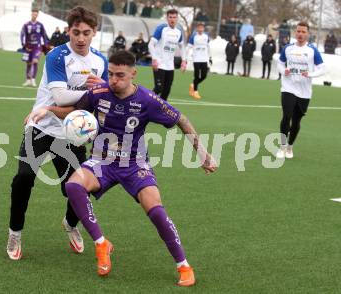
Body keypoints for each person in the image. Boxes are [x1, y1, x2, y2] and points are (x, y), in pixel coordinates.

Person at [28, 50, 217, 286]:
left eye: (120, 75)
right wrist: (48, 109)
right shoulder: (99, 92)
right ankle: (101, 244)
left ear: (133, 74)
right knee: (73, 186)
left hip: (134, 164)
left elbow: (181, 120)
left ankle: (183, 265)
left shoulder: (147, 100)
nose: (114, 80)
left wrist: (203, 153)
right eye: (111, 74)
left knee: (156, 210)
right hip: (102, 160)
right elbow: (74, 110)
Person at [6, 6, 109, 261]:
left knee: (77, 189)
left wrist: (102, 97)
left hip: (73, 134)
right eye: (76, 32)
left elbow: (104, 101)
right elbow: (61, 96)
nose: (81, 38)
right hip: (41, 128)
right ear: (68, 31)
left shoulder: (100, 61)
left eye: (86, 32)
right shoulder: (57, 56)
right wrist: (96, 91)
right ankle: (15, 232)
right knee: (23, 178)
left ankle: (71, 224)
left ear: (94, 32)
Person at [276, 21, 325, 159]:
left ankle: (290, 147)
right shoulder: (287, 48)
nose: (300, 34)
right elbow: (279, 63)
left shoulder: (312, 50)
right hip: (288, 87)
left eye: (303, 32)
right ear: (295, 32)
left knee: (296, 121)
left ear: (308, 34)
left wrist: (310, 74)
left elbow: (322, 68)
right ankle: (282, 146)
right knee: (286, 116)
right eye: (298, 31)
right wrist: (283, 71)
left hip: (304, 91)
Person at [148, 9, 186, 100]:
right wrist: (154, 59)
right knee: (158, 88)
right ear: (167, 18)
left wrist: (184, 61)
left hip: (170, 66)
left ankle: (161, 111)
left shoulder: (179, 32)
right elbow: (150, 44)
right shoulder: (162, 29)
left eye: (174, 17)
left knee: (166, 91)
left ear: (177, 19)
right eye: (170, 17)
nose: (172, 19)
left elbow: (182, 46)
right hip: (159, 64)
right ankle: (146, 102)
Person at [20, 8, 49, 87]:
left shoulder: (40, 25)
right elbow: (22, 34)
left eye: (36, 14)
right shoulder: (26, 25)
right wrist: (23, 44)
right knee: (28, 63)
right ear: (31, 14)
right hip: (29, 46)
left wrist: (46, 44)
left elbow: (44, 35)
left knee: (35, 61)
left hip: (37, 46)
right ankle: (28, 79)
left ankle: (33, 79)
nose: (34, 15)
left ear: (37, 15)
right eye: (33, 14)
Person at [187, 22, 212, 99]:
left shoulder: (206, 36)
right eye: (199, 27)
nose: (200, 29)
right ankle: (195, 91)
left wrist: (210, 57)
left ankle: (193, 85)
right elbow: (188, 47)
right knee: (197, 75)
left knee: (204, 76)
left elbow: (208, 47)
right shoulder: (193, 37)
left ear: (203, 29)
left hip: (204, 59)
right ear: (197, 28)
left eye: (202, 27)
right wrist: (186, 58)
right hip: (196, 59)